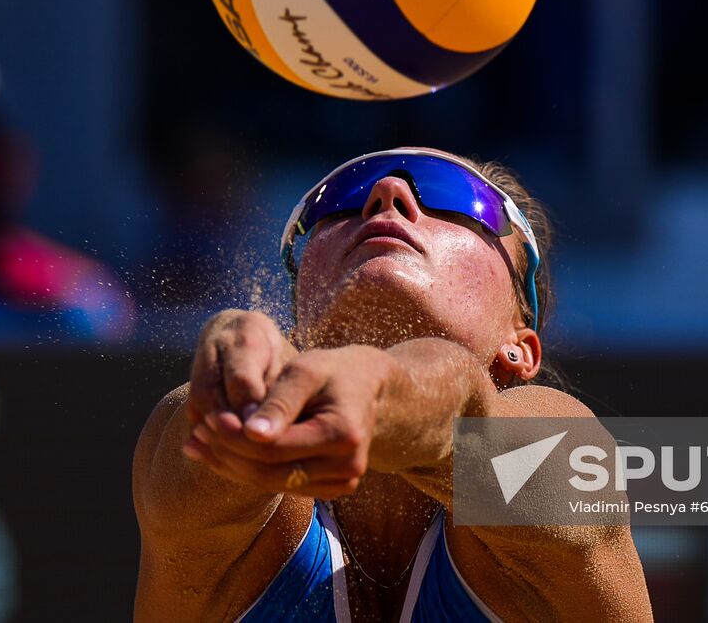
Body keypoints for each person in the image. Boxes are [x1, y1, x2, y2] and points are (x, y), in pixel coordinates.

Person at [133, 148, 654, 621]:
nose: (388, 195)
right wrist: (242, 398)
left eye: (454, 197)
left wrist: (380, 387)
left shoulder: (560, 443)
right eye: (341, 198)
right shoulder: (194, 438)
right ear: (295, 323)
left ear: (520, 346)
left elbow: (471, 416)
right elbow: (202, 475)